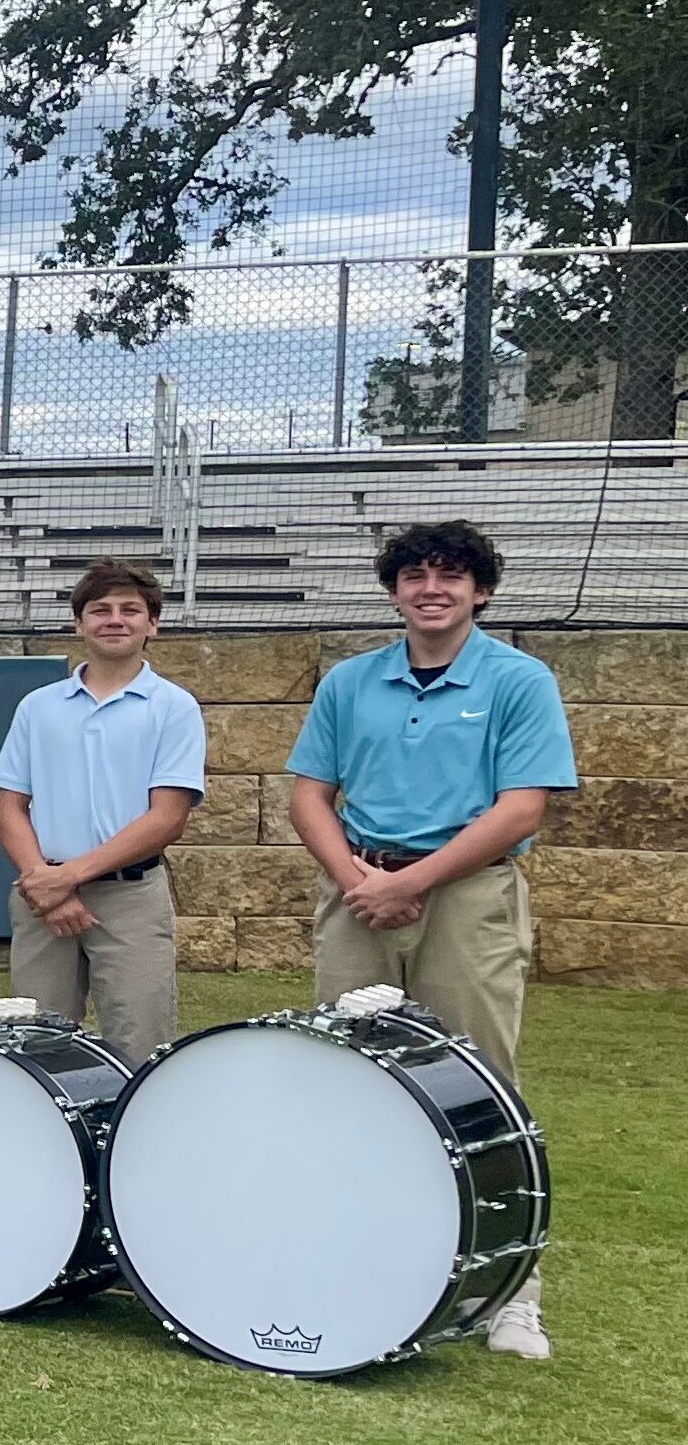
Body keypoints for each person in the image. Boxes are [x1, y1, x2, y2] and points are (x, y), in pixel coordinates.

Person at [285, 519, 575, 1359]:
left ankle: (510, 1290)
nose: (431, 588)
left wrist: (411, 883)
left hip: (464, 898)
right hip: (359, 891)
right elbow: (311, 793)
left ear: (480, 590)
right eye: (414, 574)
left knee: (479, 1083)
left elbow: (521, 808)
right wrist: (358, 880)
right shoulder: (350, 681)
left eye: (451, 575)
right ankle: (361, 1257)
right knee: (349, 1079)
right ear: (394, 590)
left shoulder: (520, 681)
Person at [0, 559, 204, 1062]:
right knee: (36, 1044)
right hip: (40, 895)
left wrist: (69, 878)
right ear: (79, 622)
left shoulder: (173, 707)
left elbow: (166, 817)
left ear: (153, 623)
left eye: (131, 610)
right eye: (100, 609)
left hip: (129, 897)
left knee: (139, 1043)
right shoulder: (39, 706)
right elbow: (9, 807)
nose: (115, 619)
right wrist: (45, 881)